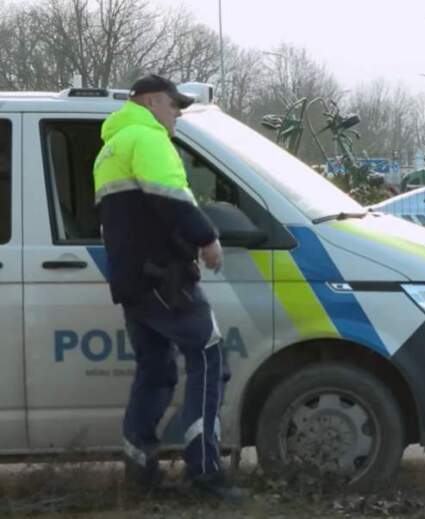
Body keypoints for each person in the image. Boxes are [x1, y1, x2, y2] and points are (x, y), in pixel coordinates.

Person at [93, 74, 241, 500]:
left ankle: (141, 475)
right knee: (210, 358)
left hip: (133, 282)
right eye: (174, 105)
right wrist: (207, 239)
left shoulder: (111, 147)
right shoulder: (147, 136)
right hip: (164, 277)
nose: (177, 114)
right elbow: (172, 198)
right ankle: (206, 475)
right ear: (153, 101)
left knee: (156, 371)